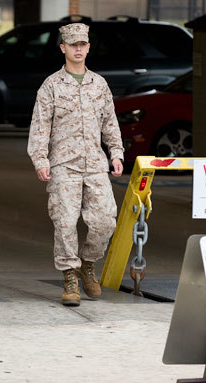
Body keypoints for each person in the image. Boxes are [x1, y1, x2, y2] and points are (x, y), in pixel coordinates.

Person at [27, 23, 124, 307]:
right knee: (65, 222)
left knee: (106, 220)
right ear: (63, 48)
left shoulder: (100, 84)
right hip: (63, 165)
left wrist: (116, 152)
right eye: (73, 45)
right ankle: (70, 276)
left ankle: (88, 263)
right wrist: (40, 160)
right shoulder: (51, 86)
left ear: (89, 47)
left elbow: (110, 122)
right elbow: (40, 126)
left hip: (95, 162)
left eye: (83, 44)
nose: (78, 49)